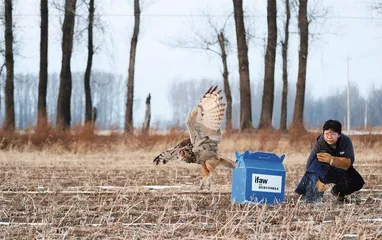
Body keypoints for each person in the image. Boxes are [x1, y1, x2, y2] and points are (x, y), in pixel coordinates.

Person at [295, 120, 365, 203]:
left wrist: (332, 160)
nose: (329, 137)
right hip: (324, 172)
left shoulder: (346, 141)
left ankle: (338, 192)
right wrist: (317, 182)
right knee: (316, 163)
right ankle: (309, 195)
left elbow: (350, 162)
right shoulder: (320, 143)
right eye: (327, 134)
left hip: (340, 170)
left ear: (339, 135)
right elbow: (309, 165)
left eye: (333, 134)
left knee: (358, 182)